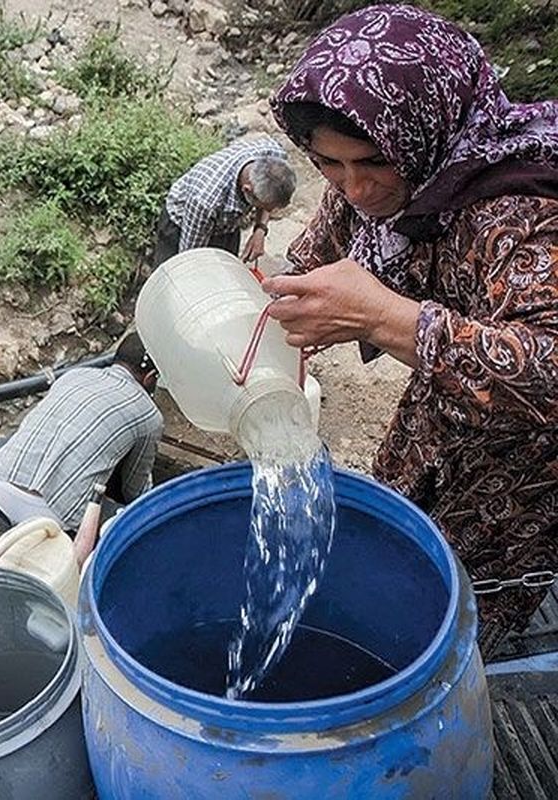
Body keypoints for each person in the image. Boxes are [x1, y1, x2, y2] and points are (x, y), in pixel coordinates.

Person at [264, 4, 558, 653]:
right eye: (329, 164)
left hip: (523, 471)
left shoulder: (525, 211)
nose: (355, 188)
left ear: (428, 134)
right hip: (435, 417)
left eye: (372, 163)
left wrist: (385, 318)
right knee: (394, 551)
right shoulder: (383, 179)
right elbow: (317, 257)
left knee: (459, 612)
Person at [0, 333, 164, 541]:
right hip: (56, 527)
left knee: (1, 449)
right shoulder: (148, 414)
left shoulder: (75, 375)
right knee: (134, 520)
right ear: (150, 377)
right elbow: (134, 489)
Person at [152, 135, 297, 267]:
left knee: (226, 271)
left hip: (226, 223)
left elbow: (267, 197)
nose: (270, 212)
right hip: (182, 225)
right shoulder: (205, 201)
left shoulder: (275, 156)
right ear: (248, 190)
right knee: (176, 280)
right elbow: (191, 260)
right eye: (266, 207)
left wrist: (260, 230)